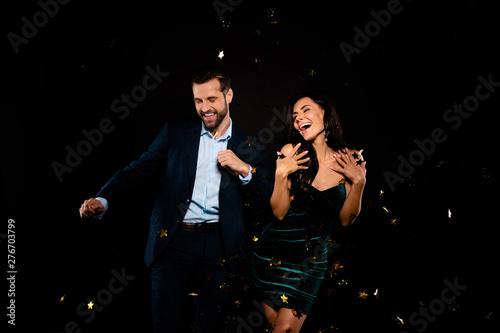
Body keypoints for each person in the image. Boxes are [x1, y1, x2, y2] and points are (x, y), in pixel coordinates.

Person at [79, 66, 273, 332]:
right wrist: (104, 199)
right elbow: (137, 170)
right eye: (198, 100)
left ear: (228, 95)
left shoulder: (247, 144)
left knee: (212, 326)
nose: (205, 107)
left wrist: (245, 169)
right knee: (166, 323)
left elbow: (268, 196)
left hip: (220, 246)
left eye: (212, 99)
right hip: (172, 241)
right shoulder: (175, 133)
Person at [252, 92, 367, 332]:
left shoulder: (349, 158)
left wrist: (359, 183)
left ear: (323, 113)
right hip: (273, 255)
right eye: (294, 116)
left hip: (310, 264)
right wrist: (281, 173)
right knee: (278, 329)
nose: (298, 119)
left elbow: (347, 220)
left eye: (305, 110)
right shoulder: (292, 152)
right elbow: (279, 213)